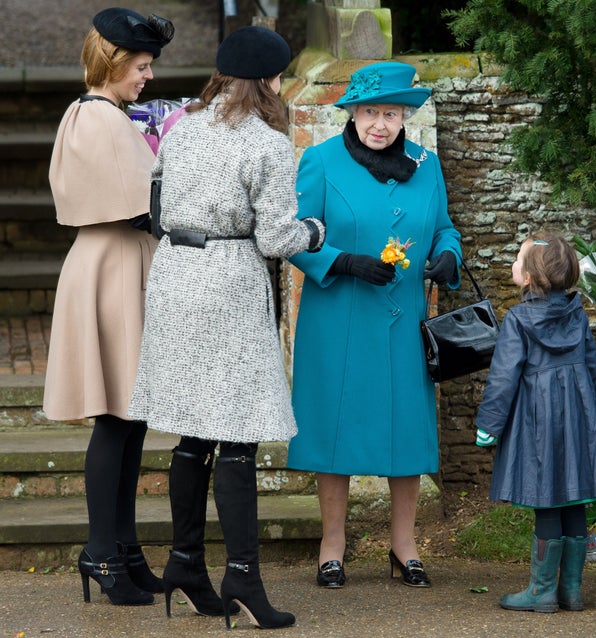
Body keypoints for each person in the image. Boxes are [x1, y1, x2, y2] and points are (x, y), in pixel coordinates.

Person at [127, 26, 324, 630]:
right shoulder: (267, 145)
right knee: (236, 436)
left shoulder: (181, 127)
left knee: (191, 430)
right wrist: (314, 232)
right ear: (268, 81)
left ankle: (185, 563)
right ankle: (242, 577)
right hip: (229, 280)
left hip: (175, 276)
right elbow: (275, 238)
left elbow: (156, 209)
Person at [286, 61, 462, 589]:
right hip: (338, 316)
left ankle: (403, 545)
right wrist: (342, 261)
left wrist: (448, 255)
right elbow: (294, 234)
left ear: (404, 115)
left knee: (406, 429)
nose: (379, 124)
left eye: (390, 113)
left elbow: (444, 228)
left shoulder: (426, 164)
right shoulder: (319, 161)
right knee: (334, 431)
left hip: (403, 317)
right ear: (353, 113)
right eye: (369, 112)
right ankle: (332, 545)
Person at [43, 7, 174, 606]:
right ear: (116, 63)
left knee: (132, 417)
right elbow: (145, 202)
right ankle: (100, 551)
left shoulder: (100, 114)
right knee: (116, 419)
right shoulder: (100, 119)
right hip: (113, 265)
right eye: (142, 66)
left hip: (120, 262)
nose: (148, 76)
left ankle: (124, 550)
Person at [474, 233, 596, 613]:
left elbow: (504, 376)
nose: (512, 265)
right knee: (574, 496)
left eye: (517, 260)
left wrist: (489, 424)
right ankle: (571, 590)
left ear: (529, 278)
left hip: (537, 422)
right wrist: (595, 416)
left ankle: (542, 592)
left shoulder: (519, 318)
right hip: (577, 418)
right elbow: (592, 370)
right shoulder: (578, 315)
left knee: (547, 498)